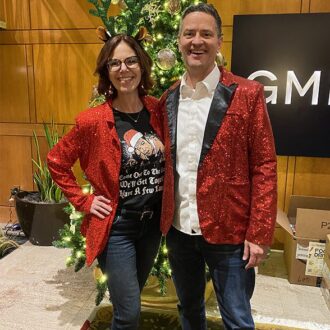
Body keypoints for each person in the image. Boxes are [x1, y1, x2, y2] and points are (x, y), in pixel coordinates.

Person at [159, 3, 277, 330]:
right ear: (179, 40)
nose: (197, 41)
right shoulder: (168, 99)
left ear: (219, 41)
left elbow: (264, 165)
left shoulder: (247, 94)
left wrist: (259, 233)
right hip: (181, 231)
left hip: (231, 234)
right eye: (189, 33)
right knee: (189, 310)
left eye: (206, 34)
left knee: (238, 319)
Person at [47, 31, 165, 330]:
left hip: (152, 226)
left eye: (131, 61)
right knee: (128, 313)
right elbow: (56, 160)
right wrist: (84, 200)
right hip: (117, 228)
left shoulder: (159, 110)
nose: (124, 69)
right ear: (106, 71)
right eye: (115, 64)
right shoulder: (92, 121)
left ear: (142, 65)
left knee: (129, 302)